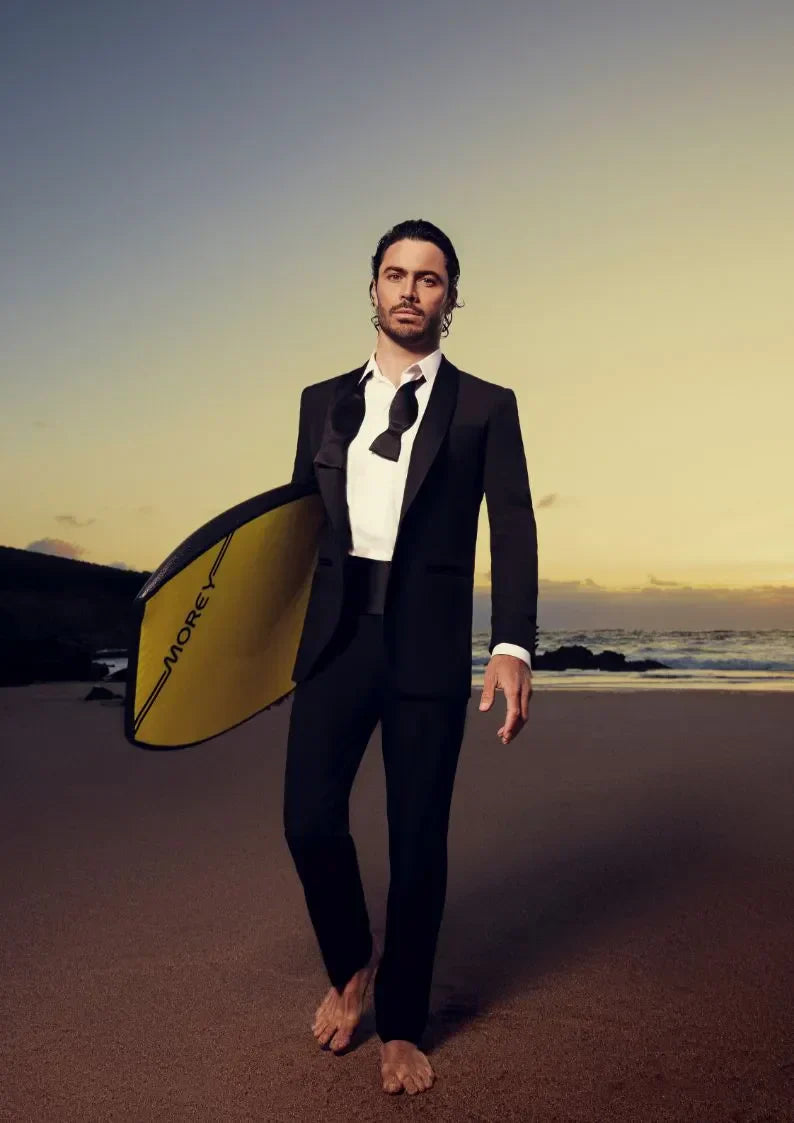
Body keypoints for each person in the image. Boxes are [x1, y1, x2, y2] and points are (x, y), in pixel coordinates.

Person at [284, 218, 538, 1095]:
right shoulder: (321, 399)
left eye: (429, 279)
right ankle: (352, 960)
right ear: (372, 289)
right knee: (308, 820)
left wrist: (510, 644)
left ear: (451, 298)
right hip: (335, 637)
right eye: (395, 274)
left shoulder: (484, 406)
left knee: (418, 841)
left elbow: (513, 525)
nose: (410, 291)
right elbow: (293, 529)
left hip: (426, 649)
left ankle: (400, 1021)